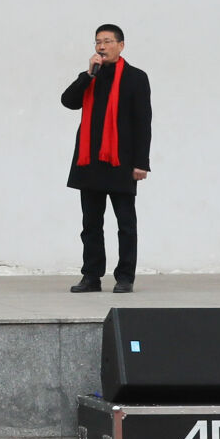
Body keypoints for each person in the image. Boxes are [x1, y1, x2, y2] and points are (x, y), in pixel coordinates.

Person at [62, 24, 152, 295]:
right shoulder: (91, 76)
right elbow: (68, 101)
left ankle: (125, 277)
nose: (101, 46)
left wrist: (141, 163)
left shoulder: (136, 78)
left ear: (121, 45)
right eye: (98, 42)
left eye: (107, 41)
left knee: (126, 224)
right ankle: (91, 276)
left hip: (121, 163)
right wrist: (88, 75)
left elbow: (143, 122)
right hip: (89, 162)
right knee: (90, 225)